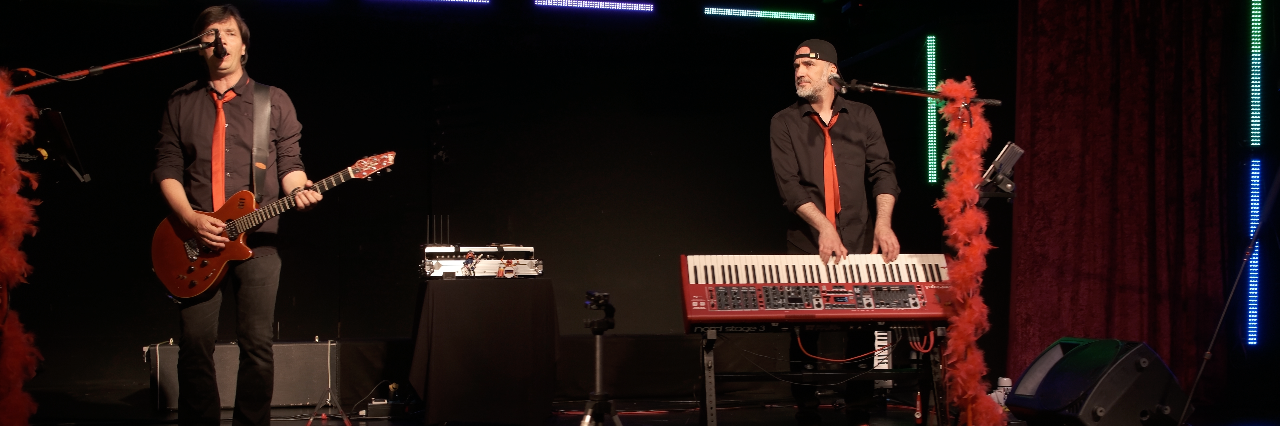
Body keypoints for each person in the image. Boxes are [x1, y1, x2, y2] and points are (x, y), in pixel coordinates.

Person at [152, 5, 322, 425]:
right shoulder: (180, 102)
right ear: (199, 46)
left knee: (257, 346)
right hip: (197, 241)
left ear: (243, 46)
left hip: (258, 240)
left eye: (229, 33)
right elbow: (166, 169)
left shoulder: (273, 100)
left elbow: (290, 163)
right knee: (194, 345)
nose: (220, 40)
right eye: (211, 33)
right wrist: (191, 220)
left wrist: (300, 190)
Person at [769, 39, 901, 425]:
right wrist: (825, 227)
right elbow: (789, 187)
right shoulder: (784, 122)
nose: (798, 72)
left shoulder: (862, 115)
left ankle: (859, 406)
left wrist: (883, 222)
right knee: (805, 331)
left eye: (807, 65)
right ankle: (806, 408)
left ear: (831, 71)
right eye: (795, 65)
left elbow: (883, 172)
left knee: (860, 328)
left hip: (860, 236)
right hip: (807, 241)